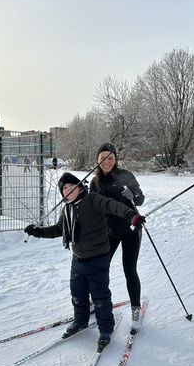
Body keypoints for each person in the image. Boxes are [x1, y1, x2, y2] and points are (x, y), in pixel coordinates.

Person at [24, 172, 145, 352]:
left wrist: (131, 216)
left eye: (71, 186)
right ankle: (80, 321)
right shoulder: (67, 209)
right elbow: (59, 229)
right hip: (78, 258)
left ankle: (105, 330)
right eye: (64, 189)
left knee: (100, 296)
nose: (67, 190)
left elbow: (113, 206)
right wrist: (39, 231)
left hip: (98, 257)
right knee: (78, 293)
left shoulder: (93, 199)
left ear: (79, 186)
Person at [90, 143, 145, 331]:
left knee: (129, 269)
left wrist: (134, 194)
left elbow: (140, 199)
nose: (107, 161)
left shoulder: (125, 176)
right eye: (103, 158)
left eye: (110, 158)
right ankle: (96, 301)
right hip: (109, 231)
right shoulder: (94, 183)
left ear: (115, 159)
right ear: (97, 161)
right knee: (100, 267)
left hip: (130, 229)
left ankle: (136, 310)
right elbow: (92, 207)